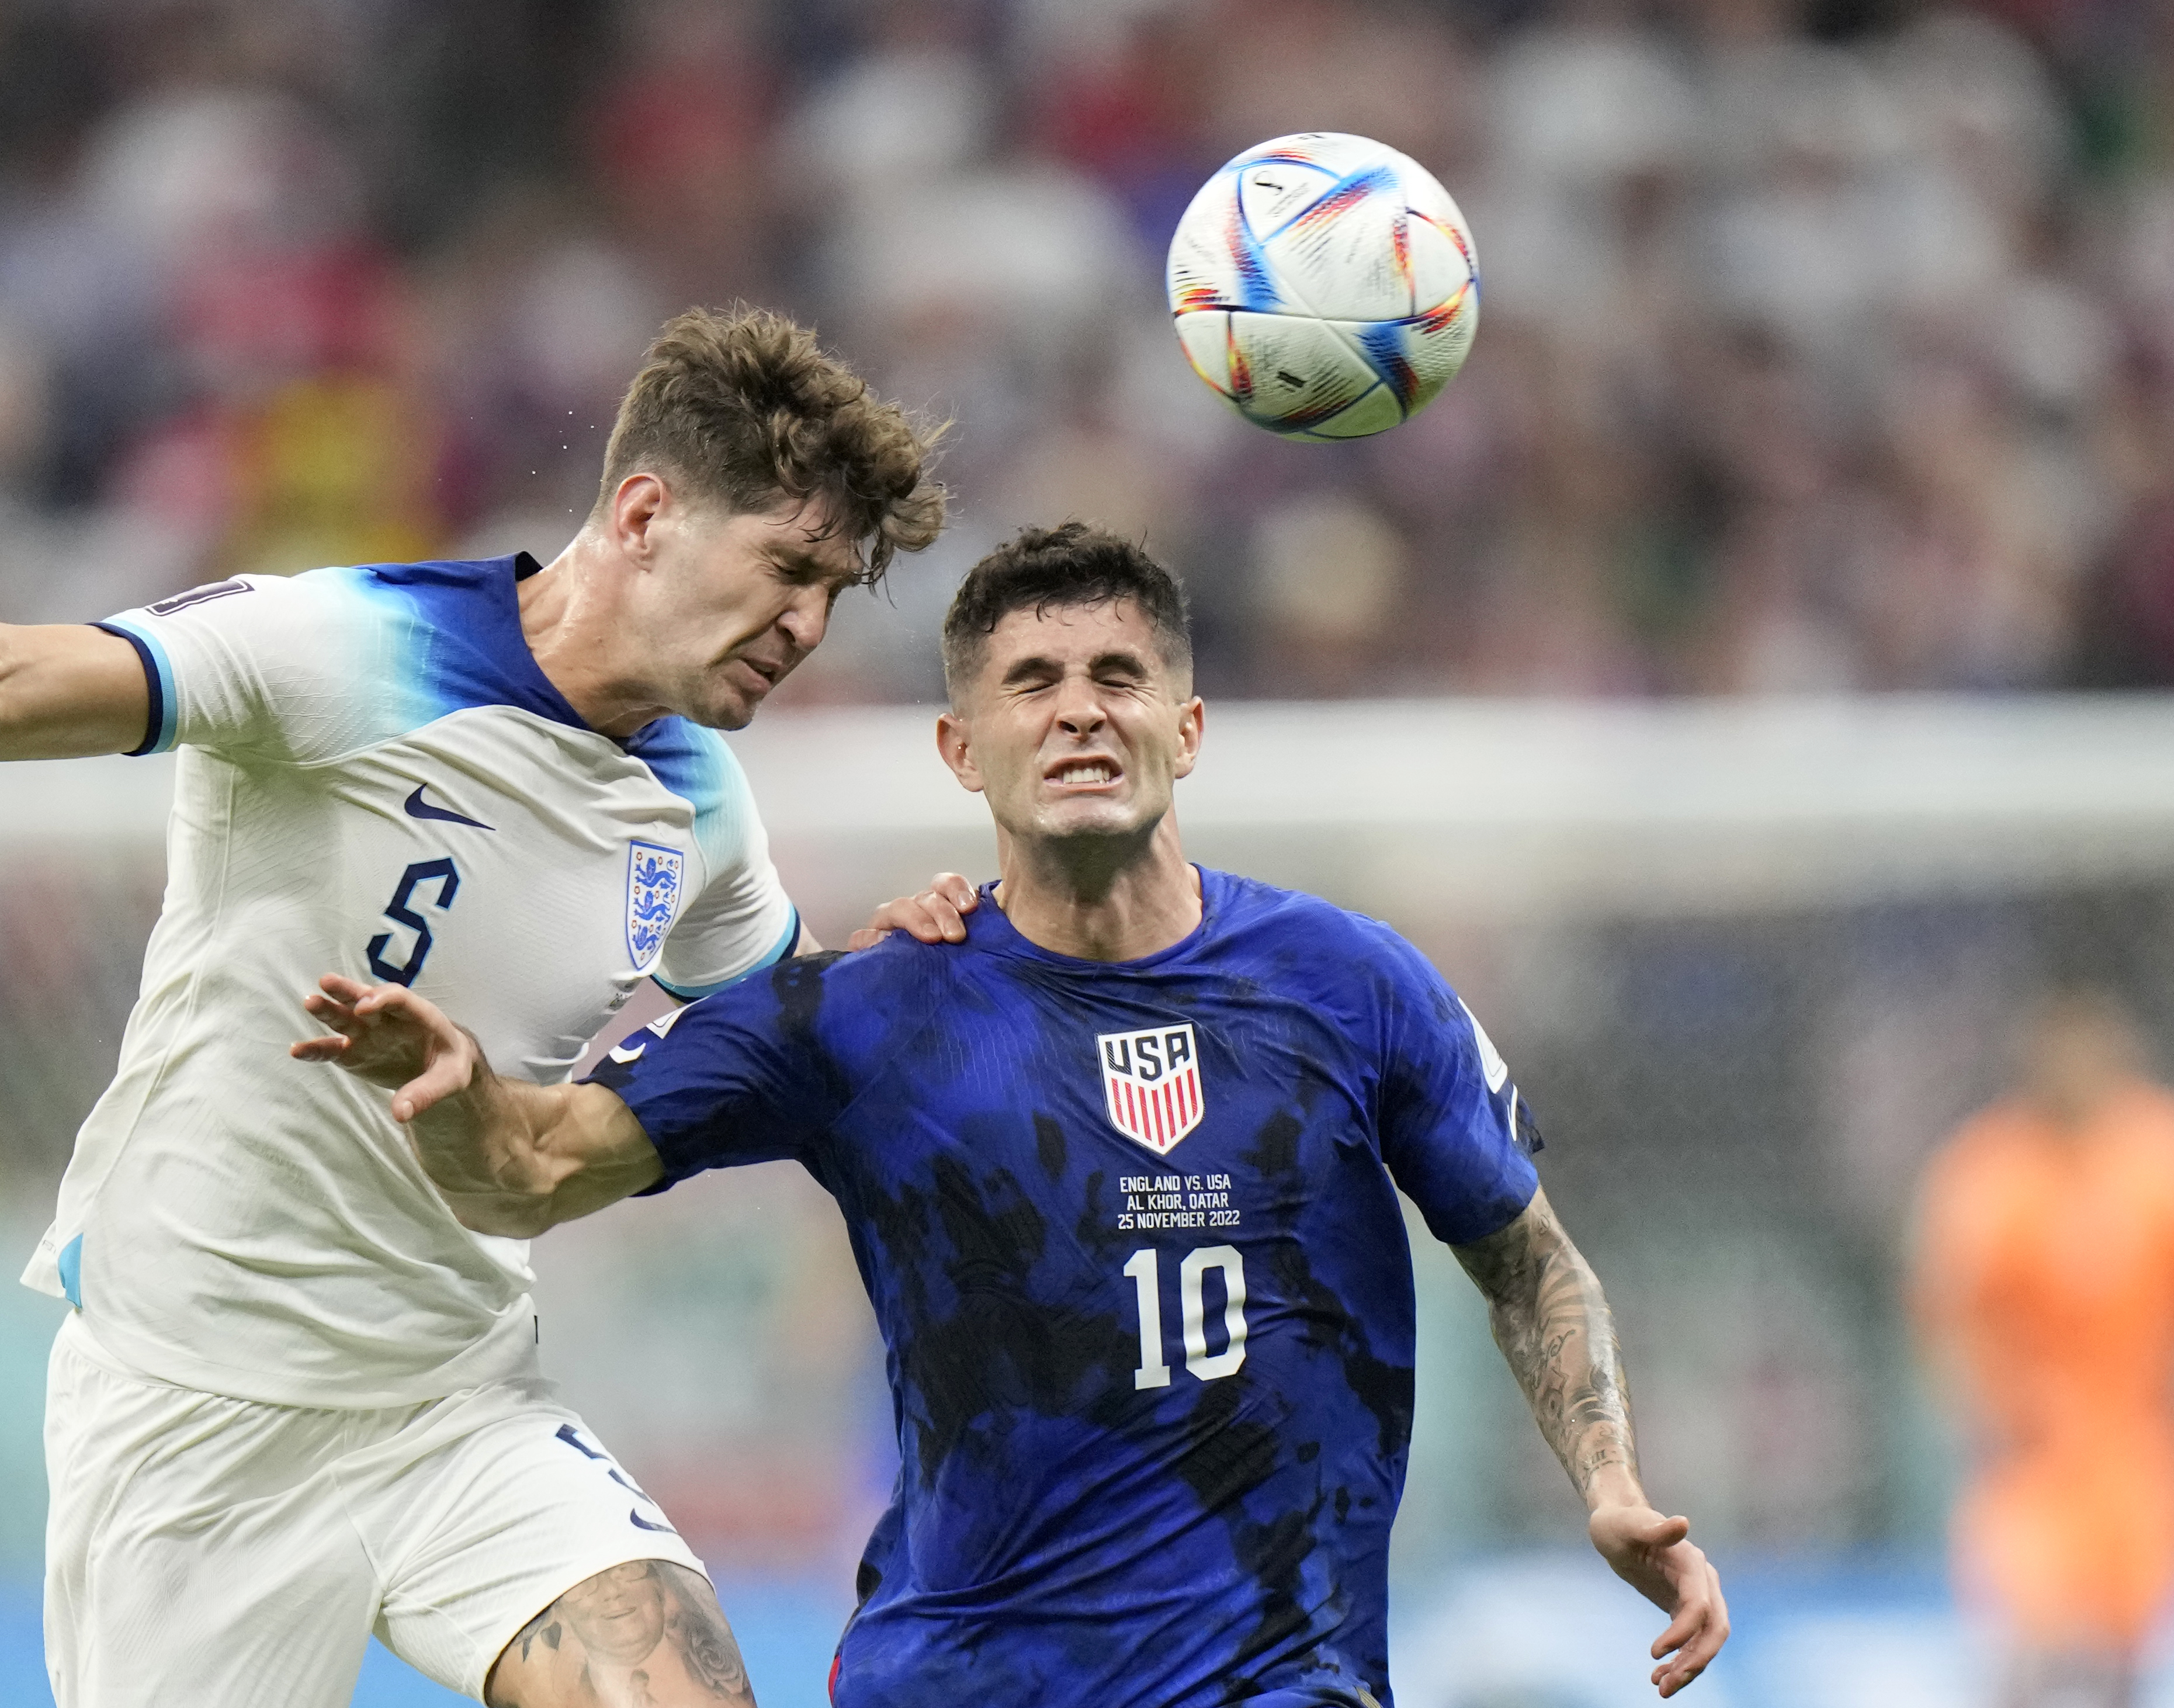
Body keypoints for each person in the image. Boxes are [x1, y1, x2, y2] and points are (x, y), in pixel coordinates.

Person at [293, 522, 1732, 1707]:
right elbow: (536, 1166)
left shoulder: (1350, 985)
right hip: (958, 1679)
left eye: (1117, 673)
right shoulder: (867, 1008)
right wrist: (465, 1091)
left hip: (1275, 1680)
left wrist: (1608, 1478)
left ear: (1188, 724)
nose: (1078, 709)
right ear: (957, 746)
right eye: (1030, 681)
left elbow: (1526, 1254)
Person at [0, 305, 949, 1708]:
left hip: (458, 1400)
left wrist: (899, 964)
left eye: (836, 591)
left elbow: (782, 1027)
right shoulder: (342, 644)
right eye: (788, 568)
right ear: (644, 512)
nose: (808, 624)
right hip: (200, 1415)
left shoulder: (693, 796)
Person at [1913, 988, 2174, 1708]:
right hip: (2034, 1456)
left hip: (2133, 1446)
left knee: (2126, 1650)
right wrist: (1984, 1413)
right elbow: (1948, 1317)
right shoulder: (1989, 1173)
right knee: (2030, 1641)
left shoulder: (2154, 1153)